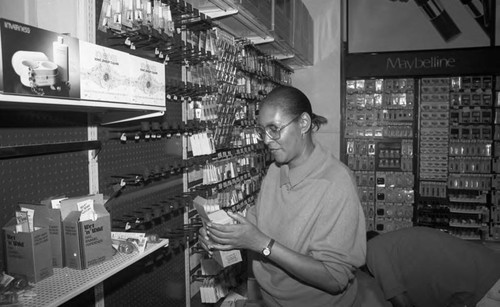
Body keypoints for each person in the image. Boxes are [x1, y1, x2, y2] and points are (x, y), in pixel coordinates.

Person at [199, 85, 367, 306]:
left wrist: (262, 244)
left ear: (303, 124)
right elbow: (257, 224)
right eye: (262, 131)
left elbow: (334, 278)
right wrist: (223, 234)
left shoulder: (336, 183)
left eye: (274, 129)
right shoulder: (275, 170)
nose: (267, 140)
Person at [365, 226, 500, 307]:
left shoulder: (372, 249)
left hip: (486, 286)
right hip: (488, 274)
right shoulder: (397, 247)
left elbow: (401, 303)